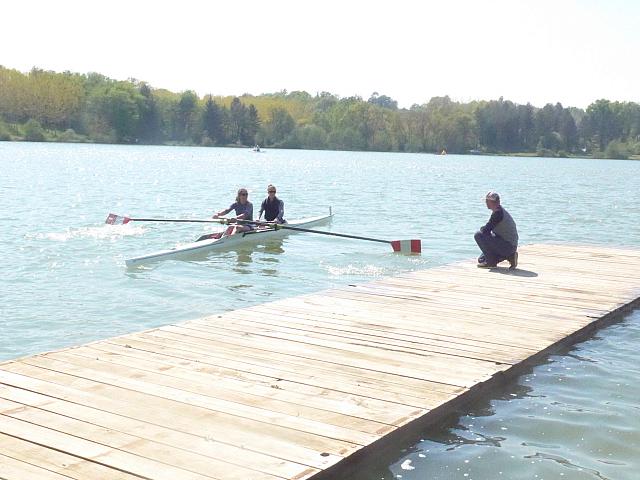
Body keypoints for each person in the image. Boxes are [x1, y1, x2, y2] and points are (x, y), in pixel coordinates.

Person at [474, 191, 518, 269]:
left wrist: (483, 228)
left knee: (478, 235)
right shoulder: (499, 211)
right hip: (509, 245)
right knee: (481, 260)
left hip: (508, 246)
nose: (486, 203)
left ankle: (491, 263)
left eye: (487, 201)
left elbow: (485, 231)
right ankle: (510, 256)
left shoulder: (497, 214)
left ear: (491, 202)